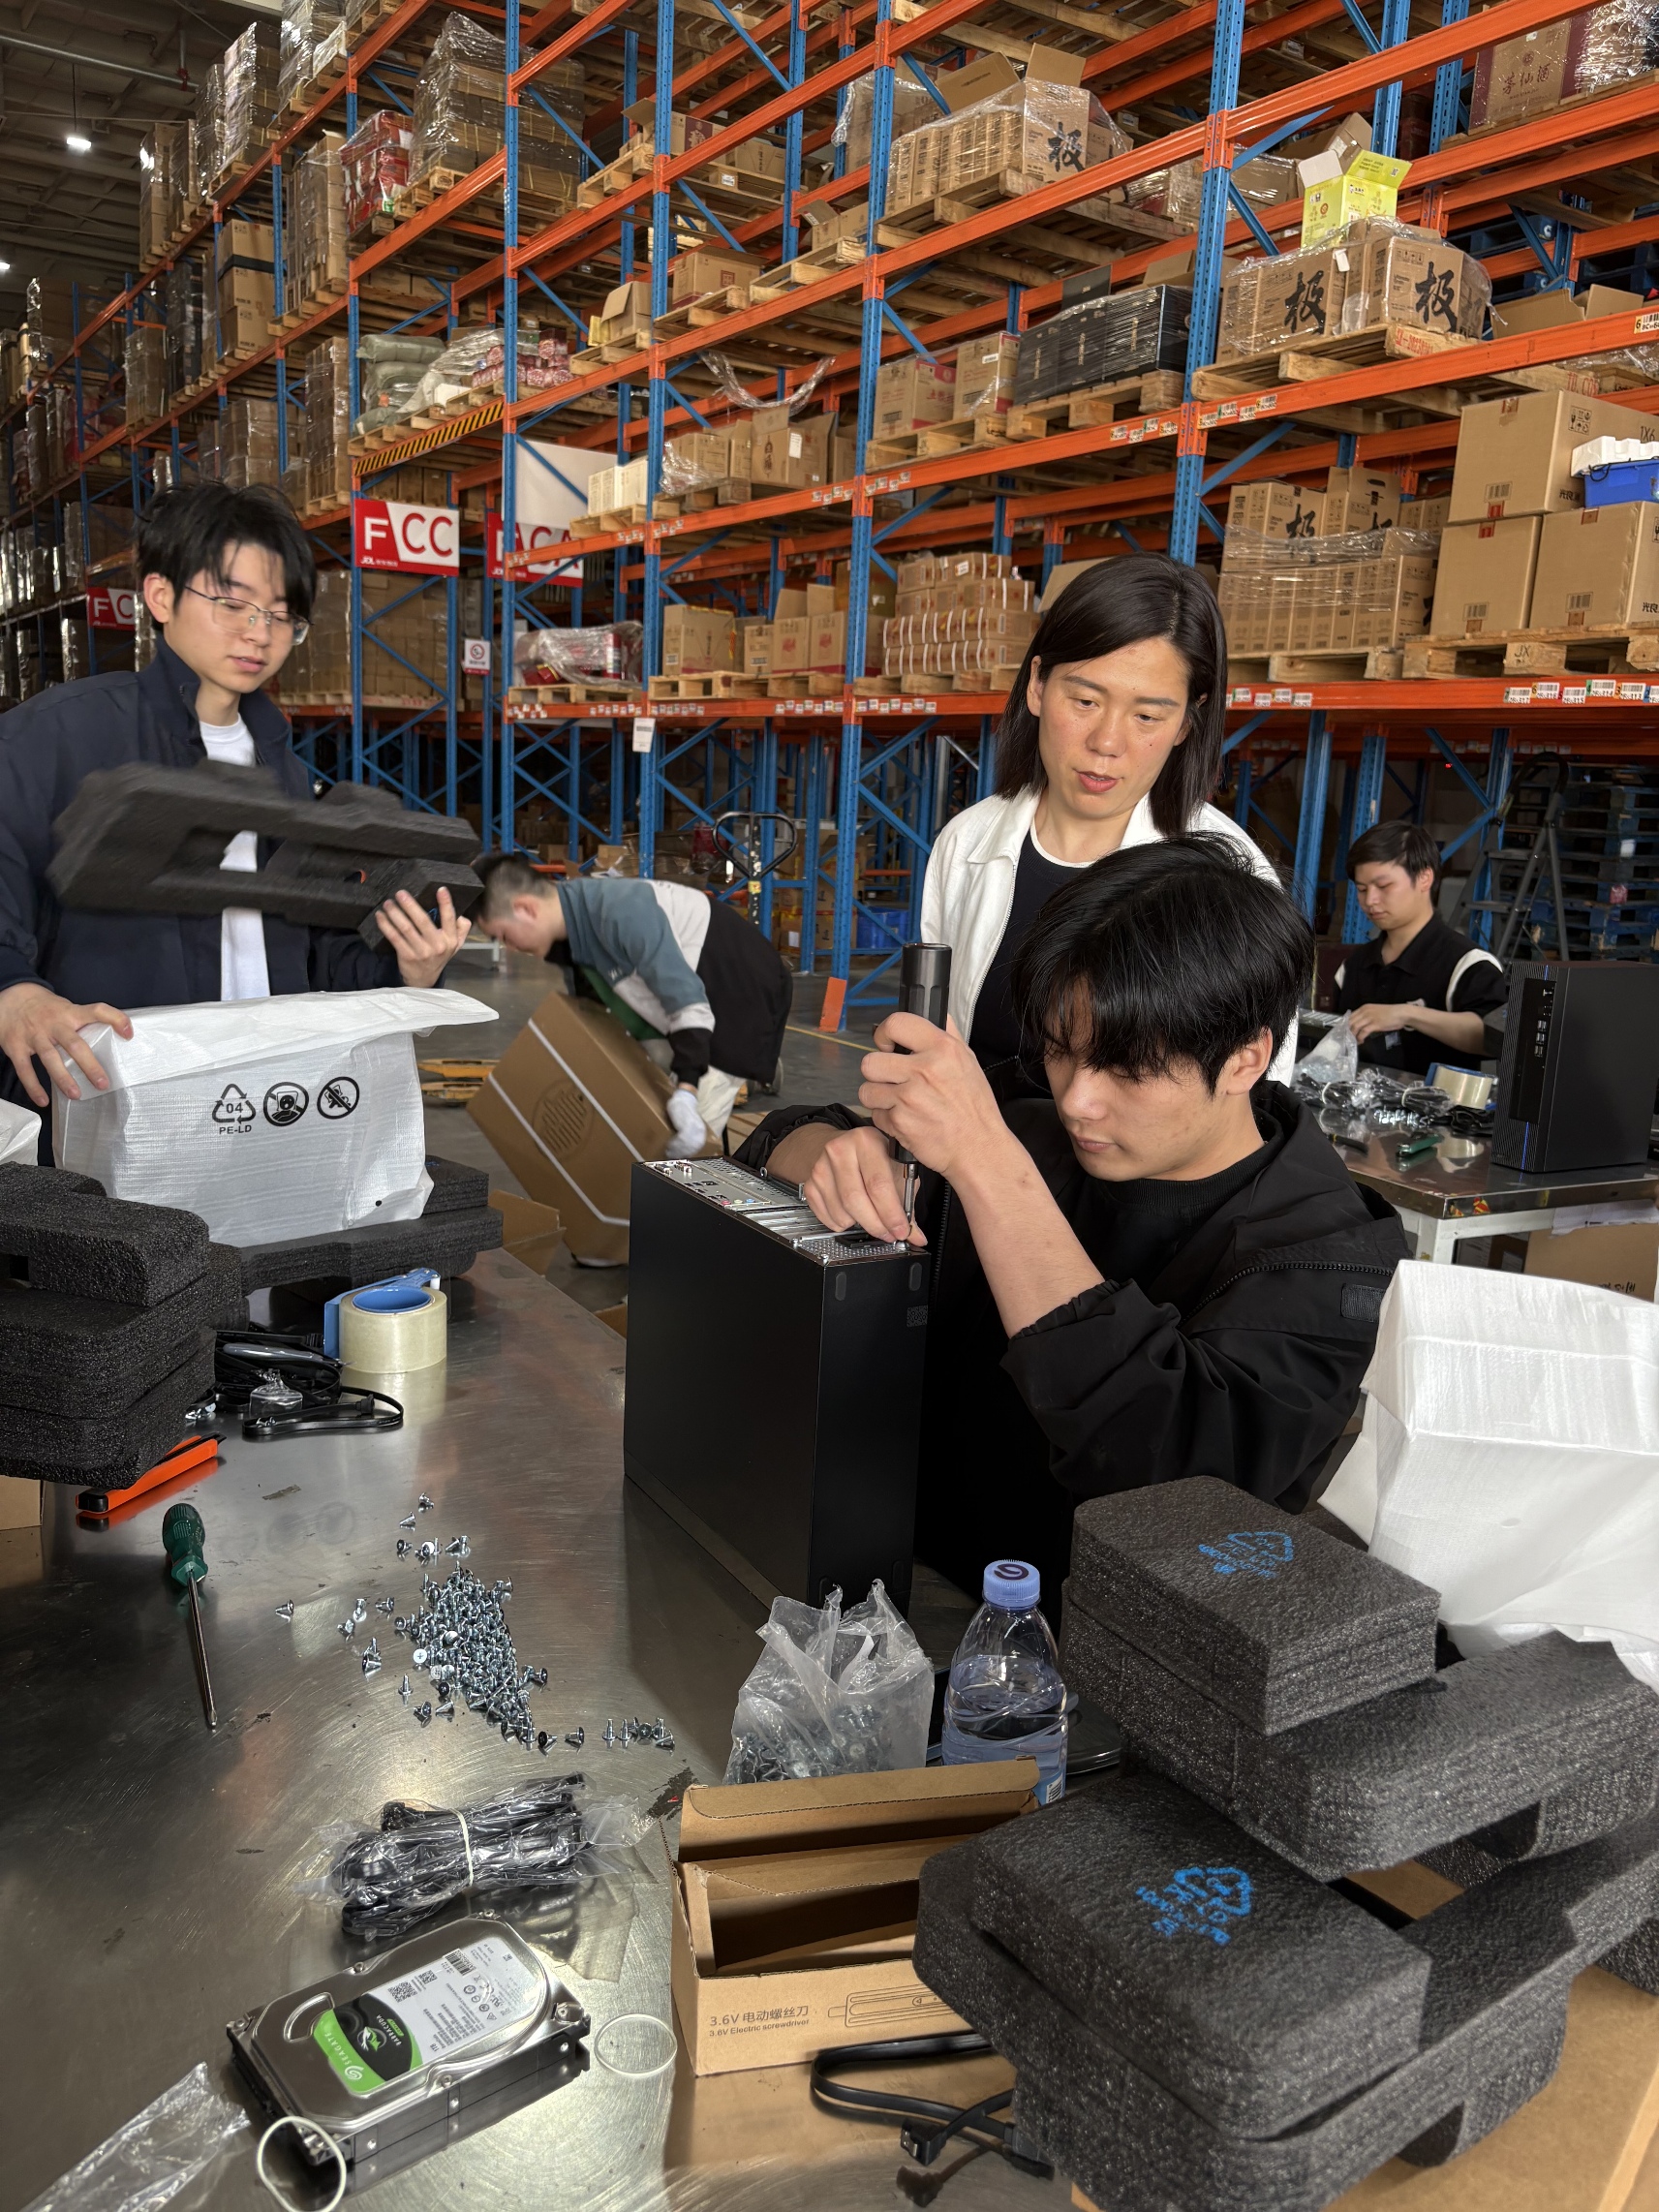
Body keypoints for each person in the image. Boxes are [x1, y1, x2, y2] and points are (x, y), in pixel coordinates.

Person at [738, 837, 1407, 1609]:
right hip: (890, 1585)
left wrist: (989, 1166)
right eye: (1061, 1050)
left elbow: (1174, 1484)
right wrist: (832, 1155)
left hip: (1086, 1646)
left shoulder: (1325, 1257)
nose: (1077, 1101)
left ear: (1244, 1060)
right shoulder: (1030, 1115)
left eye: (1129, 1069)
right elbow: (778, 1135)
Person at [0, 483, 471, 1120]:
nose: (259, 633)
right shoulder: (61, 736)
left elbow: (317, 953)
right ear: (161, 596)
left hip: (259, 1100)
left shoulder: (283, 770)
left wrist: (408, 969)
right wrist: (14, 991)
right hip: (112, 1099)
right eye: (233, 604)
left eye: (281, 615)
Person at [920, 554, 1295, 1089]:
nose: (1107, 742)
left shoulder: (1229, 878)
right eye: (1085, 700)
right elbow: (937, 1035)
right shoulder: (966, 843)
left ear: (1186, 722)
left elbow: (1255, 1095)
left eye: (1147, 716)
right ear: (1037, 685)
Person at [472, 852, 793, 1156]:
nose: (509, 948)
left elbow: (687, 1002)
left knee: (692, 1133)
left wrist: (687, 1091)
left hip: (739, 990)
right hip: (690, 992)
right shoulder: (571, 933)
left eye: (503, 936)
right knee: (656, 1093)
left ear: (526, 909)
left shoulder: (620, 911)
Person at [1334, 820, 1506, 1077]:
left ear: (1424, 878)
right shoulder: (1353, 967)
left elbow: (1495, 1036)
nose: (1370, 900)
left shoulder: (1467, 964)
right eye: (1362, 889)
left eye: (1383, 886)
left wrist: (1408, 1015)